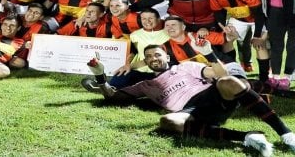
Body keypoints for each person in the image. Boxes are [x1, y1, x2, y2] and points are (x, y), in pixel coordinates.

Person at [85, 44, 295, 156]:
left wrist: (209, 54)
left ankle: (286, 134)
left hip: (210, 95)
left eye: (157, 54)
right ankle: (249, 137)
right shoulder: (144, 85)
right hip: (191, 109)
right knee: (168, 121)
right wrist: (100, 76)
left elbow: (219, 75)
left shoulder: (184, 66)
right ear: (145, 62)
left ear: (166, 57)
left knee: (230, 81)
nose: (153, 59)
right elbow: (112, 96)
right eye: (148, 57)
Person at [249, 0, 295, 90]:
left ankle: (287, 77)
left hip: (293, 14)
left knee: (292, 46)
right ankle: (274, 77)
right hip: (274, 14)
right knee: (276, 46)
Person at [56, 2, 121, 38]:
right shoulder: (77, 24)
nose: (88, 13)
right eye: (87, 11)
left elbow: (122, 40)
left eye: (92, 12)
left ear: (101, 15)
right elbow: (57, 35)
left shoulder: (108, 27)